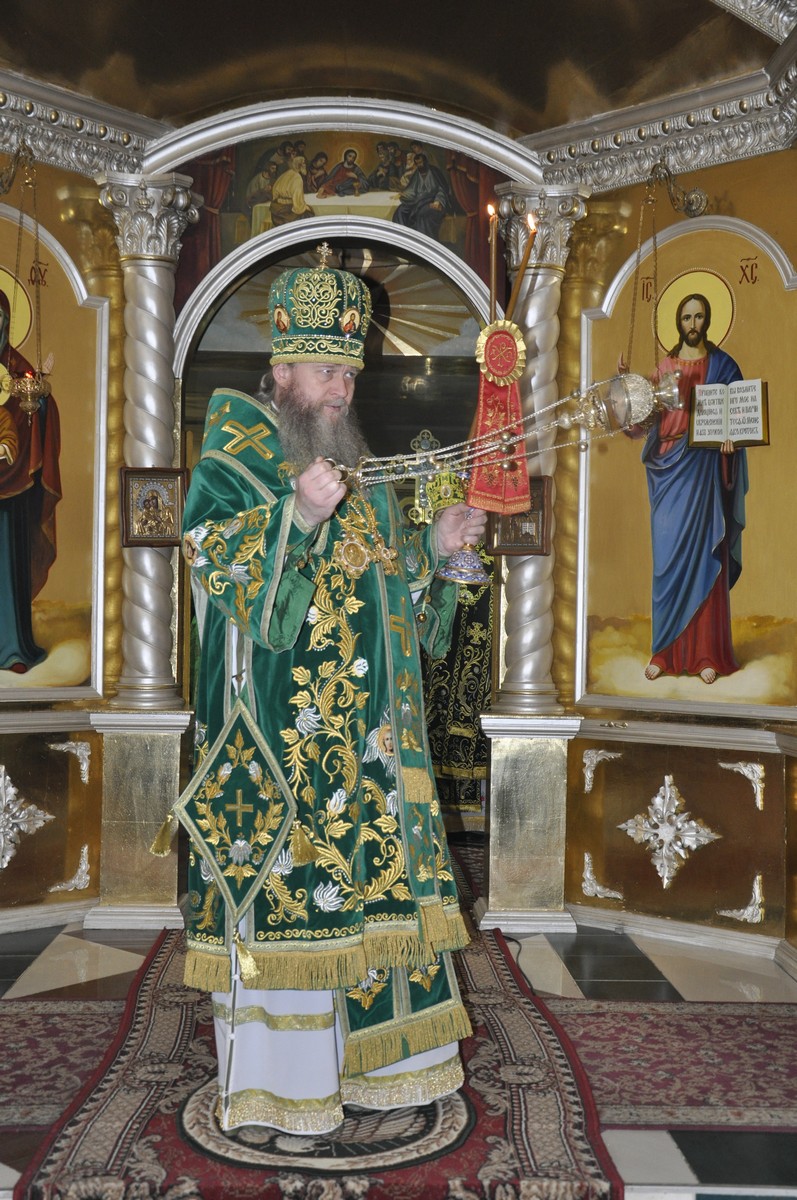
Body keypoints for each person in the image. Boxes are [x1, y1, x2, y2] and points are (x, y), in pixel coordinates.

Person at [177, 249, 487, 1135]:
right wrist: (298, 516)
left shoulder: (356, 471)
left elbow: (390, 610)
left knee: (376, 905)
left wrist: (434, 552)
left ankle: (386, 1075)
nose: (342, 390)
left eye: (349, 373)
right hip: (282, 751)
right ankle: (286, 1091)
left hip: (367, 755)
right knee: (295, 910)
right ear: (281, 371)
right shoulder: (235, 458)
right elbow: (219, 568)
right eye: (324, 371)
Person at [629, 292, 747, 684]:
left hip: (705, 471)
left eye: (698, 317)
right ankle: (664, 653)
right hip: (668, 471)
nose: (692, 324)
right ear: (677, 323)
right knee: (667, 561)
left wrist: (731, 444)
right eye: (686, 318)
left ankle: (707, 654)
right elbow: (640, 424)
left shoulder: (724, 366)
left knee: (705, 557)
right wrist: (628, 390)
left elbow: (741, 415)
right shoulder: (663, 369)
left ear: (708, 320)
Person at [0, 290, 61, 674]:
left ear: (7, 324)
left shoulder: (17, 369)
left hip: (11, 489)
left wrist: (37, 402)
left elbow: (35, 409)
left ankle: (11, 646)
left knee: (6, 566)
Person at [393, 153, 453, 239]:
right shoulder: (417, 173)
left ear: (425, 162)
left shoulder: (434, 172)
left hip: (433, 202)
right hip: (418, 201)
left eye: (420, 162)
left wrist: (438, 201)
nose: (419, 165)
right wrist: (404, 194)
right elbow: (412, 190)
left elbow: (442, 189)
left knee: (423, 214)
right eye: (417, 163)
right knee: (400, 211)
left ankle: (422, 240)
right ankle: (402, 238)